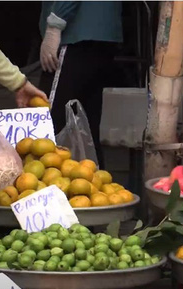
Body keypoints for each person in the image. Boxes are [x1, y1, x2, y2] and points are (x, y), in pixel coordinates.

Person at [38, 1, 123, 169]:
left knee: (46, 125)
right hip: (100, 32)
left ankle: (44, 192)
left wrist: (55, 24)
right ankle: (95, 187)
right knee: (87, 128)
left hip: (75, 32)